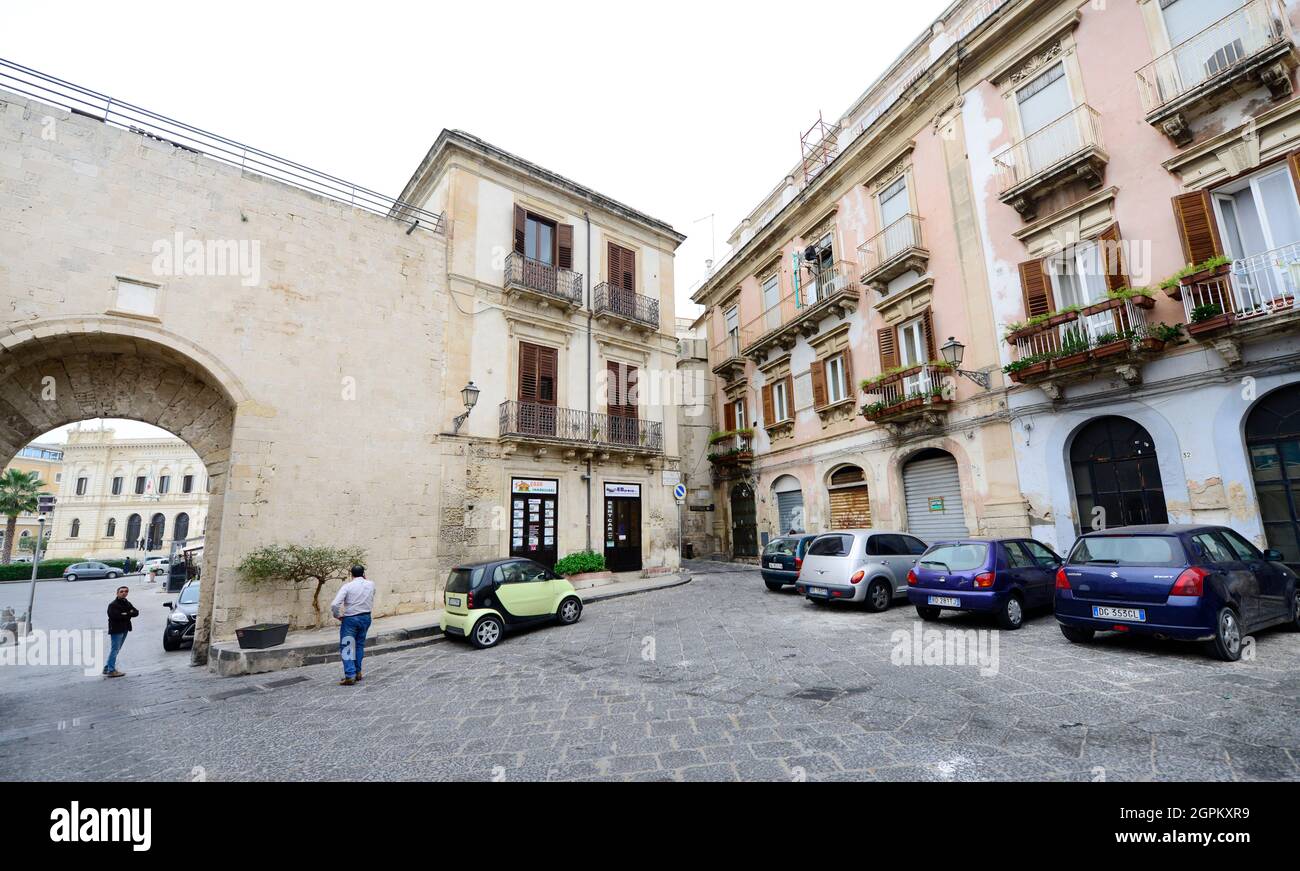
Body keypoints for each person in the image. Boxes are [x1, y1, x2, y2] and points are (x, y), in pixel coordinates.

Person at [330, 565, 374, 686]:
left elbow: (335, 604)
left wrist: (337, 615)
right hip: (366, 617)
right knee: (359, 645)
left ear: (351, 575)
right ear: (364, 574)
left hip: (351, 619)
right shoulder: (371, 584)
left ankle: (350, 675)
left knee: (347, 645)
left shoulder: (347, 586)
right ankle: (358, 672)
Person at [104, 586, 138, 677]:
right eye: (121, 591)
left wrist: (125, 613)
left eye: (126, 591)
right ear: (117, 593)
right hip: (116, 630)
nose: (124, 593)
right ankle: (111, 670)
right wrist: (128, 613)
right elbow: (115, 616)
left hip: (125, 629)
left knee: (117, 649)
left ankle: (107, 668)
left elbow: (136, 612)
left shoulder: (126, 602)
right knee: (114, 650)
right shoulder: (113, 605)